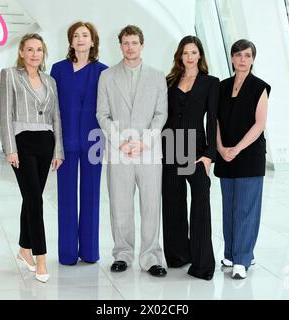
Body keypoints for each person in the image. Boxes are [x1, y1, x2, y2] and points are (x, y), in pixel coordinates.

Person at [96, 25, 168, 277]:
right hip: (119, 151)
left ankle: (151, 257)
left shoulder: (157, 76)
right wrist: (120, 142)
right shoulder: (107, 76)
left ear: (142, 45)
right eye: (126, 43)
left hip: (148, 151)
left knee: (150, 205)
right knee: (120, 205)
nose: (130, 47)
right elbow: (102, 114)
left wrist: (144, 142)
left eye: (134, 42)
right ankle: (122, 254)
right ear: (120, 46)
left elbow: (161, 114)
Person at [0, 33, 64, 283]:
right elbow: (4, 113)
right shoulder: (10, 75)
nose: (35, 54)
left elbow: (56, 116)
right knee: (35, 199)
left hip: (46, 142)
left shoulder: (50, 81)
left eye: (39, 50)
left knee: (31, 197)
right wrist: (9, 148)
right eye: (30, 49)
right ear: (21, 52)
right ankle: (41, 256)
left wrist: (58, 151)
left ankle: (24, 248)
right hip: (22, 142)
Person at [162, 36, 219, 280]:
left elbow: (214, 120)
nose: (189, 57)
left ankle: (203, 264)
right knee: (173, 203)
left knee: (200, 203)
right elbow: (163, 116)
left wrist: (209, 155)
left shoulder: (210, 82)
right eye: (185, 52)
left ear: (200, 55)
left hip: (196, 149)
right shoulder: (170, 81)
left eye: (193, 52)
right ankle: (177, 256)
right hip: (170, 146)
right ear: (180, 55)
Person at [50, 22, 107, 265]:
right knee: (66, 196)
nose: (81, 39)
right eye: (76, 35)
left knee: (91, 195)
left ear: (93, 41)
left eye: (85, 35)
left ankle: (90, 252)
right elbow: (52, 108)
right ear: (70, 41)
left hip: (94, 141)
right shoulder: (58, 69)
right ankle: (67, 253)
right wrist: (53, 144)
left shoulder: (103, 71)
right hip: (65, 141)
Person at [214, 39, 271, 279]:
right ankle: (230, 253)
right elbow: (215, 121)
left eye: (247, 56)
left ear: (253, 59)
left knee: (245, 209)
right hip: (225, 155)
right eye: (238, 55)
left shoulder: (260, 87)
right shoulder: (222, 86)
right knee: (229, 208)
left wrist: (236, 148)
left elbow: (260, 124)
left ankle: (243, 259)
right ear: (232, 58)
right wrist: (220, 147)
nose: (242, 60)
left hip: (249, 156)